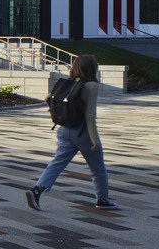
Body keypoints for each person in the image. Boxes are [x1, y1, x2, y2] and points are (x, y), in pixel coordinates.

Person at [25, 54, 117, 211]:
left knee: (57, 163)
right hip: (82, 133)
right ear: (93, 69)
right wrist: (95, 141)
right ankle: (102, 199)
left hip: (63, 129)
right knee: (98, 168)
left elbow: (48, 98)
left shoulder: (67, 83)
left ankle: (37, 190)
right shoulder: (91, 86)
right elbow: (90, 116)